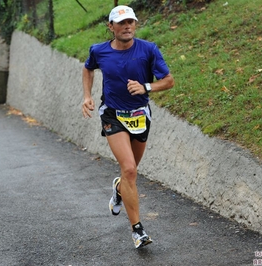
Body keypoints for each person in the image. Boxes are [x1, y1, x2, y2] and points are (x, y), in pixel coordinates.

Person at [81, 5, 174, 249]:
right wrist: (86, 96)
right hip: (112, 114)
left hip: (140, 114)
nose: (127, 27)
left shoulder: (148, 49)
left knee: (129, 174)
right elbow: (88, 68)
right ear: (110, 27)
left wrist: (147, 87)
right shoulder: (99, 51)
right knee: (130, 169)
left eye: (130, 22)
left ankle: (119, 189)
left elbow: (168, 81)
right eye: (121, 23)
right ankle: (138, 231)